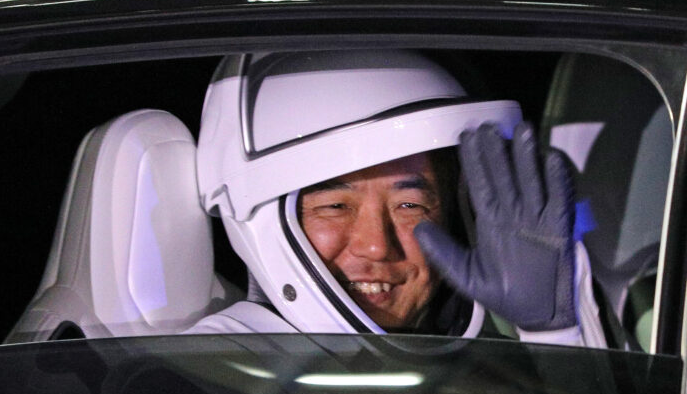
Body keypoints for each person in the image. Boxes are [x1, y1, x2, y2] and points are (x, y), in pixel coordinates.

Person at [188, 50, 605, 347]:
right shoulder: (207, 374)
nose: (377, 245)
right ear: (257, 221)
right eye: (335, 206)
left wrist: (553, 335)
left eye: (410, 206)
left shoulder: (484, 364)